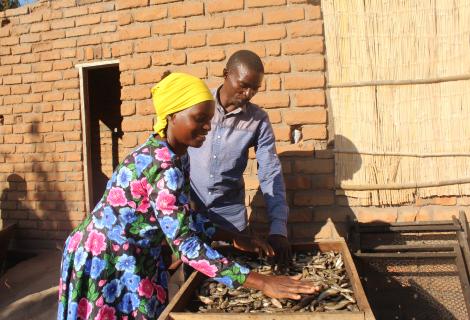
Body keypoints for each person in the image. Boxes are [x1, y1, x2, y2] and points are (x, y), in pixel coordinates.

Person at [57, 72, 318, 319]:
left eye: (209, 118)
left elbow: (180, 217)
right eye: (199, 118)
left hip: (132, 252)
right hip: (105, 257)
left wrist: (233, 237)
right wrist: (262, 282)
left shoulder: (177, 154)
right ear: (171, 116)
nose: (207, 126)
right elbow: (187, 246)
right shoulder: (165, 167)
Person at [187, 50, 291, 266]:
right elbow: (175, 154)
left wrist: (278, 228)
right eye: (243, 85)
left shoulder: (258, 120)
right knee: (193, 284)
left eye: (255, 88)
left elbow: (270, 172)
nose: (248, 93)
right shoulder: (198, 106)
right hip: (190, 214)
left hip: (231, 220)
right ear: (226, 74)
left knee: (235, 278)